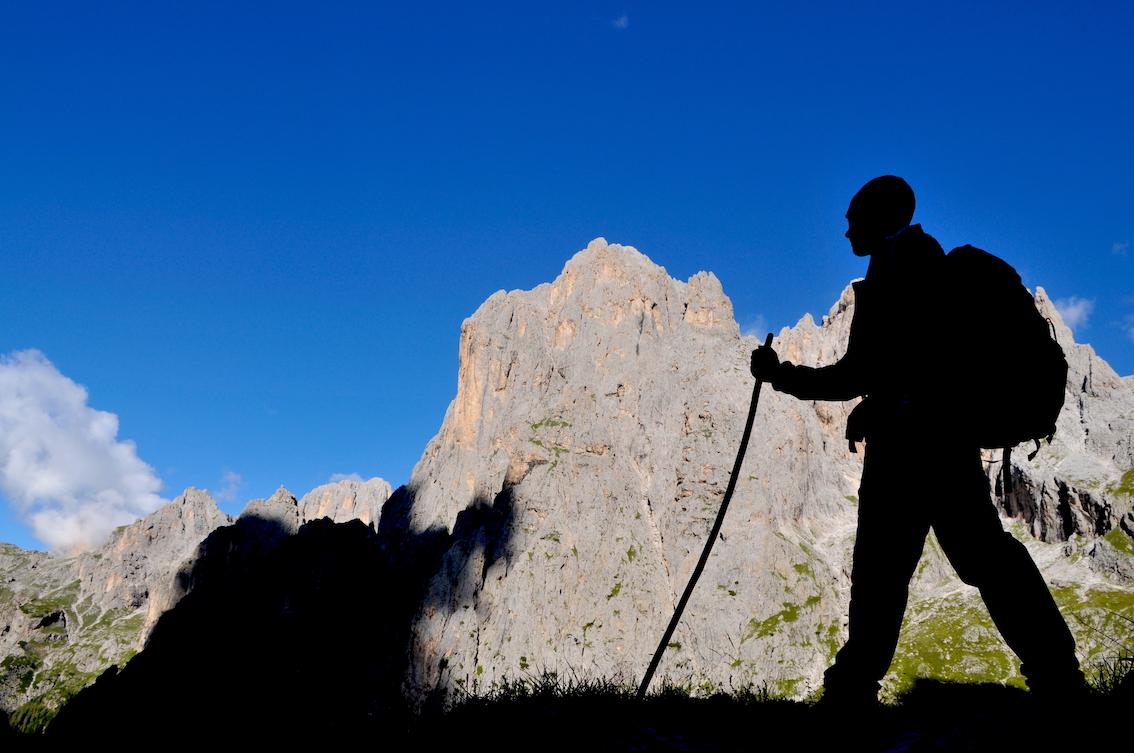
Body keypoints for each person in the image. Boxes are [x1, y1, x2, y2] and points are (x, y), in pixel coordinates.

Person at [750, 176, 1083, 707]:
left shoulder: (912, 259)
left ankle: (856, 688)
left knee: (907, 566)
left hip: (919, 447)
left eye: (853, 215)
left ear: (881, 214)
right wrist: (797, 379)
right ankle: (1055, 673)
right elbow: (873, 370)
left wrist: (867, 399)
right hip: (930, 442)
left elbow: (916, 361)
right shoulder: (896, 262)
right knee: (959, 560)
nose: (844, 228)